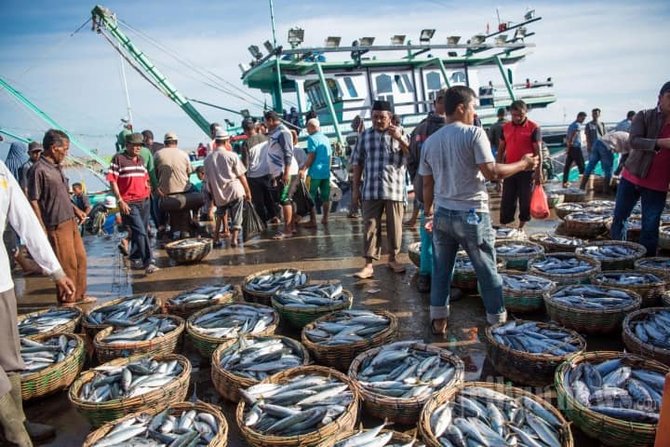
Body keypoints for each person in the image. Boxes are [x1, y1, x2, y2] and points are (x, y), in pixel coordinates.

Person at [420, 86, 538, 334]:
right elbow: (492, 172)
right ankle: (497, 321)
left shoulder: (430, 142)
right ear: (462, 107)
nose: (475, 111)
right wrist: (524, 163)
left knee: (441, 270)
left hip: (442, 214)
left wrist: (428, 212)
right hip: (472, 214)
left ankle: (438, 320)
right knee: (486, 269)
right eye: (473, 106)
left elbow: (426, 183)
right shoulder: (474, 134)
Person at [0, 159, 76, 446]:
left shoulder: (0, 170)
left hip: (1, 280)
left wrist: (54, 269)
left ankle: (19, 421)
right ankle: (15, 433)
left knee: (9, 359)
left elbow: (24, 219)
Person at [27, 129, 95, 307]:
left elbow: (63, 195)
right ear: (53, 148)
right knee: (67, 264)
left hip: (70, 220)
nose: (66, 153)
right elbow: (33, 200)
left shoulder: (57, 168)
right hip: (55, 223)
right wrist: (40, 227)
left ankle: (80, 294)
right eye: (64, 149)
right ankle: (67, 300)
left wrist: (76, 210)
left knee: (80, 259)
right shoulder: (38, 170)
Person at [351, 100, 409, 279]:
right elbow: (357, 163)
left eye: (381, 117)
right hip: (371, 189)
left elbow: (412, 155)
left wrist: (399, 138)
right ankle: (368, 265)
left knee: (395, 227)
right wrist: (355, 189)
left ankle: (393, 258)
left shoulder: (401, 133)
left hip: (395, 189)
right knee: (369, 226)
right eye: (374, 117)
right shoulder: (365, 136)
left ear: (390, 118)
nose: (377, 121)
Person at [610, 81, 670, 256]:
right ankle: (617, 256)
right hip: (632, 177)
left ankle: (646, 264)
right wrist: (659, 143)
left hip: (658, 185)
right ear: (660, 98)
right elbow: (634, 141)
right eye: (669, 97)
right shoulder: (644, 116)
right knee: (620, 219)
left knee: (650, 226)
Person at [407, 88, 448, 292]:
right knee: (444, 240)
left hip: (424, 192)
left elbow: (411, 161)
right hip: (446, 194)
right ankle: (441, 282)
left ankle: (425, 277)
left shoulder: (419, 128)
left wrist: (418, 181)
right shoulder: (450, 129)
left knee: (427, 237)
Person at [107, 133, 159, 274]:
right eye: (135, 145)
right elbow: (112, 180)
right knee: (141, 232)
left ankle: (135, 256)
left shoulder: (141, 159)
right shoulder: (118, 159)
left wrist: (148, 188)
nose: (137, 148)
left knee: (139, 231)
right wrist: (120, 200)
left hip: (144, 201)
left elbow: (146, 177)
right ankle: (148, 262)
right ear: (127, 145)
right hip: (129, 203)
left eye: (140, 145)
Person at [496, 100, 543, 231]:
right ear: (510, 113)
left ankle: (521, 226)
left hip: (527, 170)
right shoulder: (505, 128)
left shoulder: (534, 127)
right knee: (507, 199)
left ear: (525, 112)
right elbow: (501, 150)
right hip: (510, 168)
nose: (517, 118)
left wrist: (538, 172)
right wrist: (498, 173)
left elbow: (538, 151)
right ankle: (505, 225)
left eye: (520, 115)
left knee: (525, 199)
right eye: (514, 115)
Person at [204, 129, 252, 248]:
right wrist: (248, 191)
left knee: (220, 214)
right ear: (226, 141)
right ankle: (234, 239)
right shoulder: (232, 155)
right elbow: (241, 176)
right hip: (234, 191)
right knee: (237, 215)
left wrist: (214, 196)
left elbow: (208, 181)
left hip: (219, 193)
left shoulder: (207, 160)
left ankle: (215, 238)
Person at [264, 110, 300, 239]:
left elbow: (287, 153)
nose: (265, 124)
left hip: (286, 171)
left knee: (285, 200)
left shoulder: (282, 132)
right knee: (287, 199)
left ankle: (288, 230)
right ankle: (292, 227)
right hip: (281, 171)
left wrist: (286, 172)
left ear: (270, 120)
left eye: (265, 121)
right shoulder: (277, 132)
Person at [154, 132, 193, 239]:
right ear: (176, 142)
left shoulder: (158, 154)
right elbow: (189, 173)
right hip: (184, 191)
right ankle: (195, 218)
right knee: (196, 191)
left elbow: (155, 174)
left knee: (154, 202)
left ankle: (161, 225)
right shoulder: (184, 154)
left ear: (165, 143)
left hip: (165, 193)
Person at [241, 119, 277, 224]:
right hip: (268, 173)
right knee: (269, 198)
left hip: (254, 177)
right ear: (254, 127)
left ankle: (262, 222)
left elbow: (245, 165)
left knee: (259, 202)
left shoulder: (246, 144)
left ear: (245, 131)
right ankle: (274, 216)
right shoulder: (266, 138)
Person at [301, 119, 332, 227]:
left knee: (310, 197)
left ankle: (313, 220)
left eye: (307, 127)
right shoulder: (326, 138)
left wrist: (303, 169)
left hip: (314, 173)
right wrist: (328, 169)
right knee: (326, 197)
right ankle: (325, 218)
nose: (306, 130)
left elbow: (311, 156)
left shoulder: (311, 138)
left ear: (311, 127)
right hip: (325, 172)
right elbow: (330, 156)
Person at [347, 115, 365, 218]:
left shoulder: (348, 137)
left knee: (353, 187)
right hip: (362, 165)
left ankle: (353, 210)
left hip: (351, 164)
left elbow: (348, 152)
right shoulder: (362, 136)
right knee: (362, 187)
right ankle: (363, 209)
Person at [563, 112, 587, 187]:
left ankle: (565, 181)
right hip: (576, 148)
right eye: (582, 118)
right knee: (581, 166)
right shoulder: (577, 125)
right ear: (578, 117)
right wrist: (570, 145)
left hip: (571, 148)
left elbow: (567, 137)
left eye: (584, 119)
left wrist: (568, 147)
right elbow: (573, 136)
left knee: (567, 166)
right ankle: (583, 183)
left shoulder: (571, 125)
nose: (583, 120)